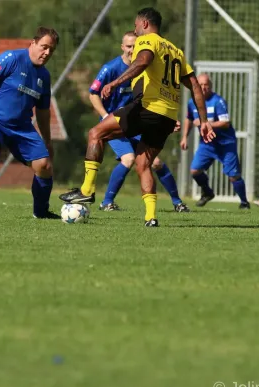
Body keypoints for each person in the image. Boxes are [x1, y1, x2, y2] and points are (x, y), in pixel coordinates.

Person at [59, 7, 214, 227]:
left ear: (144, 24)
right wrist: (204, 120)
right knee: (143, 163)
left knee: (96, 133)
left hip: (148, 107)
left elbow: (142, 61)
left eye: (135, 25)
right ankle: (151, 217)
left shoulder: (147, 40)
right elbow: (195, 86)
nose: (135, 30)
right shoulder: (176, 51)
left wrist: (115, 83)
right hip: (167, 116)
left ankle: (86, 191)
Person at [88, 31, 190, 212]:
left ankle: (177, 202)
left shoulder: (147, 67)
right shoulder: (111, 68)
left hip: (137, 119)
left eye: (135, 46)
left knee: (155, 163)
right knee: (128, 159)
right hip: (116, 121)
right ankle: (106, 202)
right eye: (128, 46)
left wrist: (164, 119)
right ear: (122, 47)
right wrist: (105, 116)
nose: (132, 50)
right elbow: (93, 93)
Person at [0, 27, 60, 219]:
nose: (47, 53)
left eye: (51, 49)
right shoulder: (11, 58)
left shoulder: (45, 76)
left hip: (22, 127)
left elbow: (42, 112)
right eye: (44, 47)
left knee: (44, 166)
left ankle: (41, 212)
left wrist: (47, 141)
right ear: (32, 43)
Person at [180, 74, 250, 209]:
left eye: (206, 84)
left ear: (210, 86)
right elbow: (189, 119)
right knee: (195, 170)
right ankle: (207, 192)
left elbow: (225, 123)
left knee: (233, 176)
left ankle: (244, 202)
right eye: (200, 85)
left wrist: (206, 123)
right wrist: (184, 137)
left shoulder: (218, 101)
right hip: (207, 144)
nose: (203, 87)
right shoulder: (192, 102)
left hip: (225, 143)